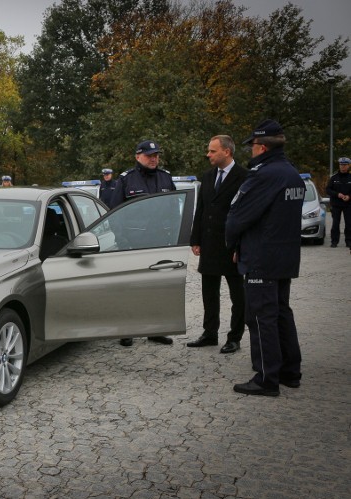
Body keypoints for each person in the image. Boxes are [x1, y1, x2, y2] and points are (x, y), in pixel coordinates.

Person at [226, 119, 304, 396]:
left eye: (252, 147)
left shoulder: (263, 175)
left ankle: (266, 378)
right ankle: (290, 371)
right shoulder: (292, 173)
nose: (250, 152)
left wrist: (232, 244)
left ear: (260, 147)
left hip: (262, 256)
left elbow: (237, 217)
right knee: (281, 311)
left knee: (261, 316)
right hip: (284, 255)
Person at [111, 140, 175, 346]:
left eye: (156, 155)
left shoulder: (166, 178)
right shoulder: (126, 180)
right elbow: (114, 214)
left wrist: (173, 238)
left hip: (158, 243)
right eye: (149, 155)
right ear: (138, 156)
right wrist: (123, 241)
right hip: (132, 245)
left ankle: (155, 330)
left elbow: (174, 211)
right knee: (130, 288)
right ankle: (127, 330)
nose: (154, 158)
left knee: (157, 287)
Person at [187, 135, 247, 354]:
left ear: (227, 152)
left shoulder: (244, 177)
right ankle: (210, 333)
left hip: (231, 245)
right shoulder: (208, 175)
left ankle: (234, 337)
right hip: (210, 244)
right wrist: (196, 239)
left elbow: (245, 214)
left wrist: (241, 245)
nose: (208, 154)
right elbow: (201, 209)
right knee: (209, 292)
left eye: (212, 151)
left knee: (237, 295)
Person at [325, 156, 351, 248]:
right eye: (341, 165)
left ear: (348, 166)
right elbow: (328, 190)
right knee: (335, 224)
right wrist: (337, 194)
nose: (343, 167)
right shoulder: (334, 177)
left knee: (349, 224)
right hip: (336, 205)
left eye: (345, 165)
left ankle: (349, 241)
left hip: (348, 205)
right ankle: (334, 242)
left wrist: (349, 196)